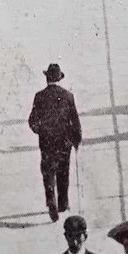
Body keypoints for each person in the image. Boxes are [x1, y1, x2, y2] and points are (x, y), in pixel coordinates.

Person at [29, 64, 83, 222]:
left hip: (46, 142)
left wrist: (40, 130)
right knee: (63, 172)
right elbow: (75, 120)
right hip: (64, 142)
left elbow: (32, 120)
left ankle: (50, 200)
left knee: (48, 171)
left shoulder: (39, 96)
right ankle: (63, 203)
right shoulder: (68, 96)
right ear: (59, 78)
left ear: (47, 78)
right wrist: (76, 139)